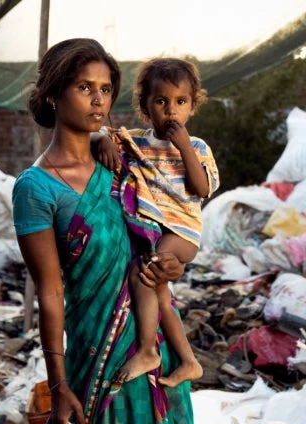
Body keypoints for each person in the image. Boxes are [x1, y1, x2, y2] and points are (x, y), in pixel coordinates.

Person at [12, 39, 196, 424]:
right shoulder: (35, 188)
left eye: (106, 89)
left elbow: (166, 225)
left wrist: (171, 266)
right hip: (99, 353)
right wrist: (57, 387)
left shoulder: (122, 162)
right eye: (83, 87)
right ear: (55, 93)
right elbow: (50, 293)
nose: (98, 100)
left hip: (154, 345)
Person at [94, 57, 220, 387]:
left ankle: (148, 350)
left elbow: (202, 188)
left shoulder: (196, 146)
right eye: (161, 101)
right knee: (161, 293)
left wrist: (184, 149)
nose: (170, 111)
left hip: (182, 232)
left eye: (180, 102)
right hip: (155, 230)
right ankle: (190, 362)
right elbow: (101, 133)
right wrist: (102, 139)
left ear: (192, 107)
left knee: (142, 273)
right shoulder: (138, 140)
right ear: (146, 107)